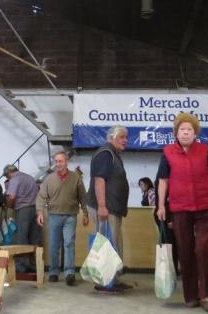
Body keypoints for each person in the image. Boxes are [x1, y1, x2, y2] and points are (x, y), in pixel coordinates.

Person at [156, 113, 208, 313]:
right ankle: (190, 295)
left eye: (189, 130)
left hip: (206, 206)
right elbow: (163, 181)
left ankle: (206, 296)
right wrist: (161, 205)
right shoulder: (168, 152)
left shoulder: (205, 151)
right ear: (176, 133)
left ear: (195, 133)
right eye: (182, 129)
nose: (185, 132)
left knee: (204, 250)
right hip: (180, 208)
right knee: (185, 251)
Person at [87, 124, 132, 292]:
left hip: (113, 209)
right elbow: (99, 180)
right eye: (122, 137)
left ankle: (113, 279)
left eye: (126, 137)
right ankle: (104, 282)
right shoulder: (106, 154)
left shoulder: (113, 154)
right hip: (106, 209)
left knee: (114, 245)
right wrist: (102, 206)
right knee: (106, 245)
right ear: (111, 138)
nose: (125, 140)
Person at [36, 151, 89, 286]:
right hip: (53, 216)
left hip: (70, 216)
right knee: (54, 245)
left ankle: (69, 272)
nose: (58, 164)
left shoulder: (76, 178)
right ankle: (54, 272)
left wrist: (86, 213)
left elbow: (83, 197)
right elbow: (41, 197)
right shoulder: (49, 179)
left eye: (61, 161)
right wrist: (40, 212)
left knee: (69, 243)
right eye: (56, 161)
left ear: (66, 162)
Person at [4, 164, 41, 272]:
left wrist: (8, 205)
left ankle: (21, 267)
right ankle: (35, 266)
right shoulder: (29, 178)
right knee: (35, 239)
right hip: (36, 210)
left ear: (9, 173)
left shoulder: (14, 179)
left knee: (21, 238)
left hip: (23, 210)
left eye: (7, 177)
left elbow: (11, 196)